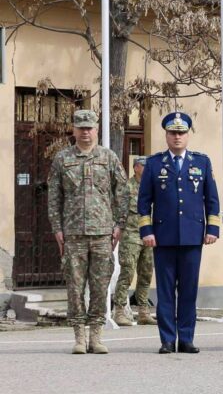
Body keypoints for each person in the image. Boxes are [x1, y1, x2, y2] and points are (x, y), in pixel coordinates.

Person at [137, 112, 220, 354]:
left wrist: (212, 228)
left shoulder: (201, 162)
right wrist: (147, 230)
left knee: (188, 291)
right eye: (173, 133)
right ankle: (166, 339)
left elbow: (211, 199)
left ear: (187, 135)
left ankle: (186, 339)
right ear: (166, 135)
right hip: (163, 237)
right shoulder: (154, 164)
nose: (177, 137)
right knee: (165, 292)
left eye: (181, 133)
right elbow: (144, 202)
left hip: (193, 236)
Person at [47, 109, 129, 354]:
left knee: (100, 287)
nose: (85, 132)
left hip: (103, 234)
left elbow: (122, 192)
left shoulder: (108, 157)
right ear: (74, 130)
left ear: (96, 129)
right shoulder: (62, 159)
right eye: (81, 127)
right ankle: (79, 337)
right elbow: (54, 197)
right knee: (74, 288)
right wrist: (57, 229)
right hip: (73, 235)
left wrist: (119, 225)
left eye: (89, 127)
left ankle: (96, 336)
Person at [113, 156, 157, 327]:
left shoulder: (153, 187)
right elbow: (119, 211)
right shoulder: (127, 187)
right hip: (131, 236)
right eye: (143, 166)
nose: (147, 169)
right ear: (136, 167)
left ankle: (143, 312)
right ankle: (119, 311)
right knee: (127, 273)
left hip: (148, 236)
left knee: (146, 274)